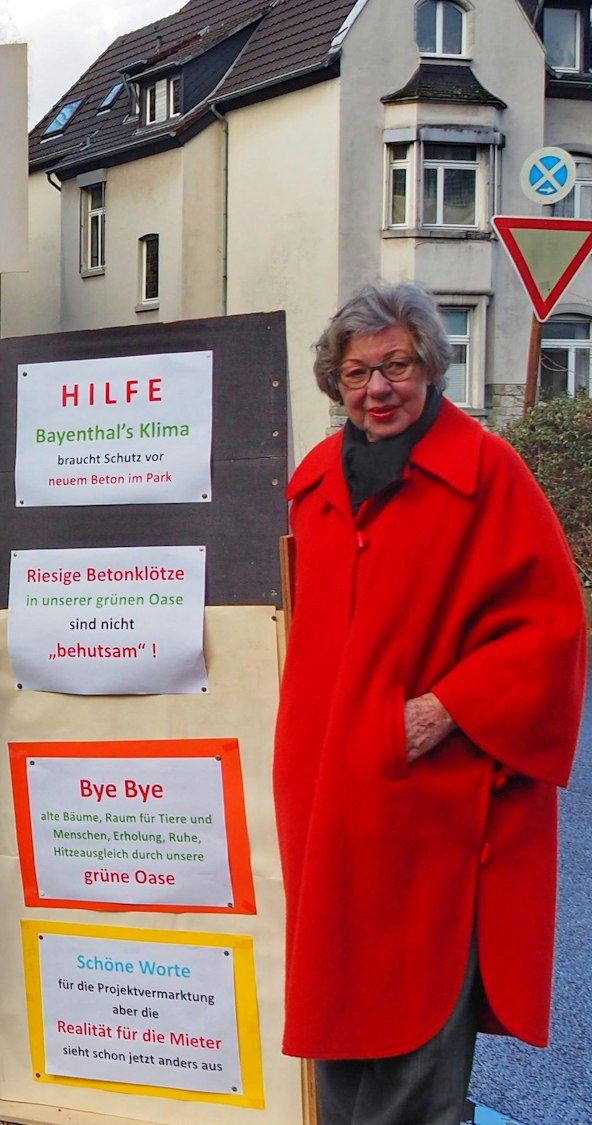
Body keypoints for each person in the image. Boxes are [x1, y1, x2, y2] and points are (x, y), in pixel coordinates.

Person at [276, 282, 586, 1124]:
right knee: (339, 1026)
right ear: (333, 384)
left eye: (397, 365)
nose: (377, 387)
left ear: (431, 369)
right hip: (330, 804)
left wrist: (446, 706)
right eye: (356, 372)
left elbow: (551, 628)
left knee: (419, 1044)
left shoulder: (487, 472)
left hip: (433, 807)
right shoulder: (311, 484)